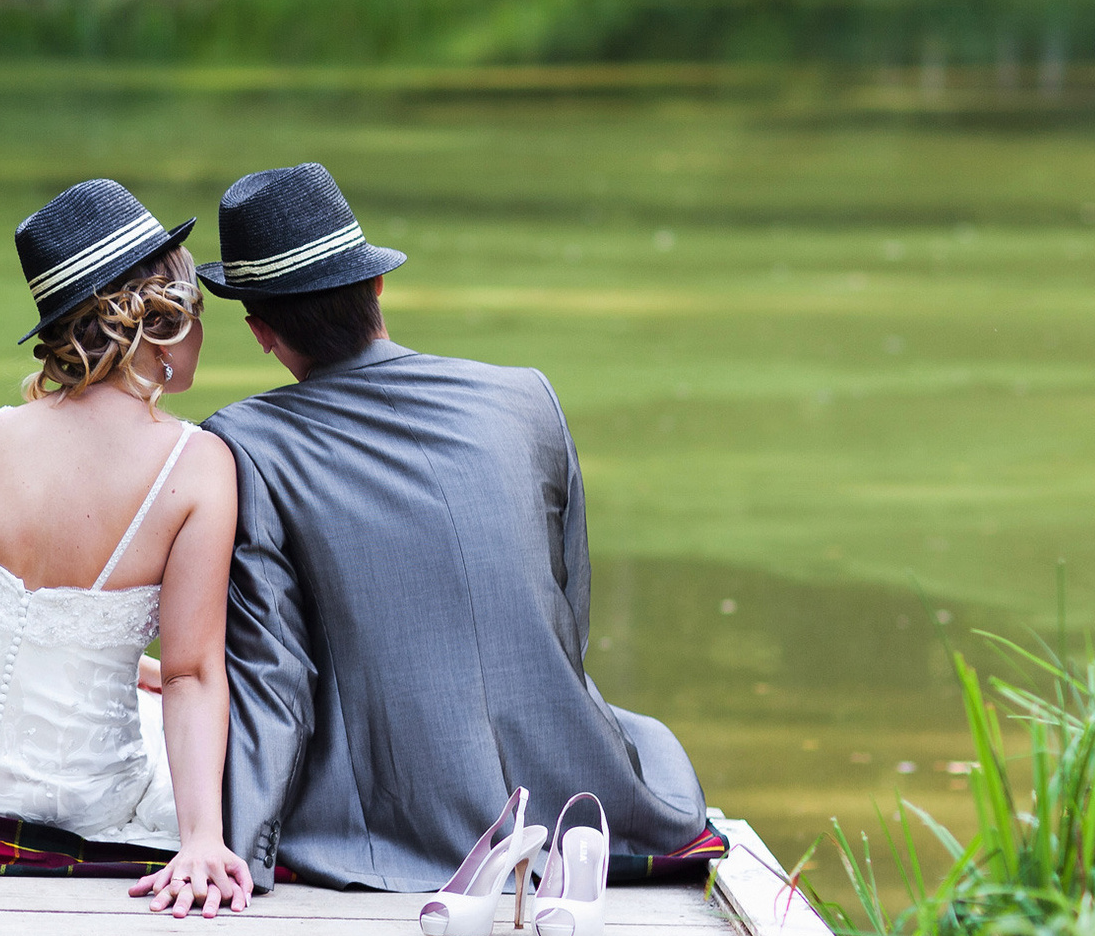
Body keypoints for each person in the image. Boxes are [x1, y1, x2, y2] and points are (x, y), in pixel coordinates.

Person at [191, 162, 709, 893]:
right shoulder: (526, 398)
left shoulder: (244, 442)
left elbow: (275, 672)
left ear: (260, 331)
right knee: (645, 737)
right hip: (580, 783)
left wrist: (247, 843)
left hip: (393, 815)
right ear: (376, 286)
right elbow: (564, 611)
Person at [0, 179, 255, 916]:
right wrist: (201, 836)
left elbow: (20, 612)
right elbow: (195, 671)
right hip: (68, 787)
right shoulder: (195, 463)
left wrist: (122, 660)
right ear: (160, 321)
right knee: (235, 754)